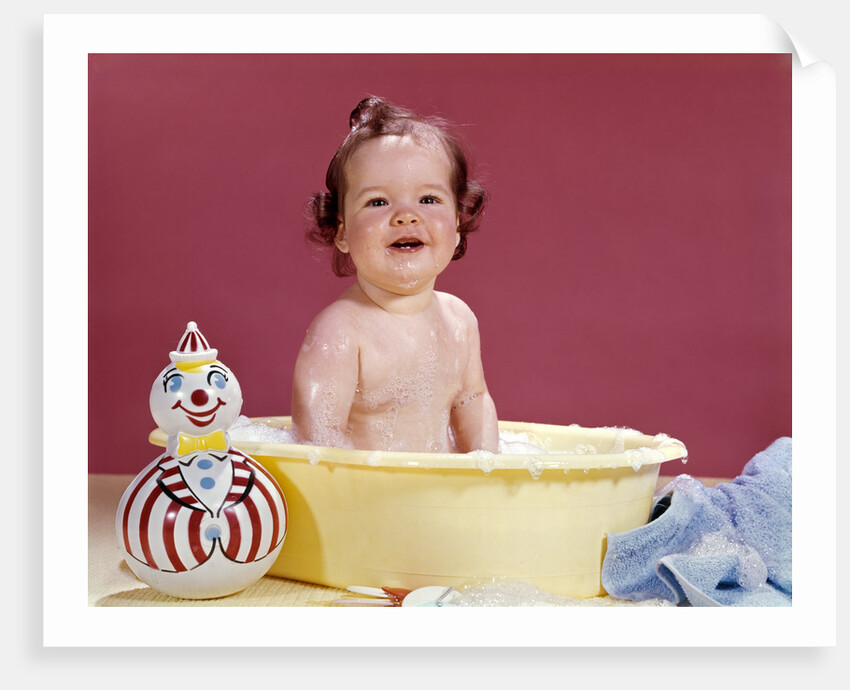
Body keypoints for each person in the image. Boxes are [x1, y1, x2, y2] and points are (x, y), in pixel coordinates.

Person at [291, 96, 499, 453]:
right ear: (341, 232)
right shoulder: (341, 331)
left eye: (428, 200)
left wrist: (486, 467)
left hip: (436, 496)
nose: (406, 216)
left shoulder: (459, 320)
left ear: (459, 224)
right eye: (377, 202)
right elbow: (318, 442)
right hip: (373, 500)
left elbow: (473, 400)